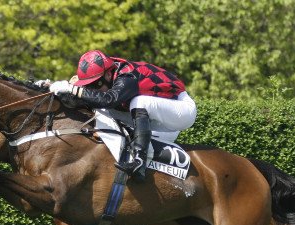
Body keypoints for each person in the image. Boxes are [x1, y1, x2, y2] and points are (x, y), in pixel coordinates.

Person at [49, 50, 197, 181]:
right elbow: (89, 100)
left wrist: (73, 89)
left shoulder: (128, 76)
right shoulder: (109, 75)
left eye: (95, 84)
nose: (93, 88)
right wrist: (53, 89)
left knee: (139, 102)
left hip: (182, 112)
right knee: (102, 109)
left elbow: (108, 100)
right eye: (89, 85)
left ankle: (139, 162)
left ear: (108, 74)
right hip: (159, 127)